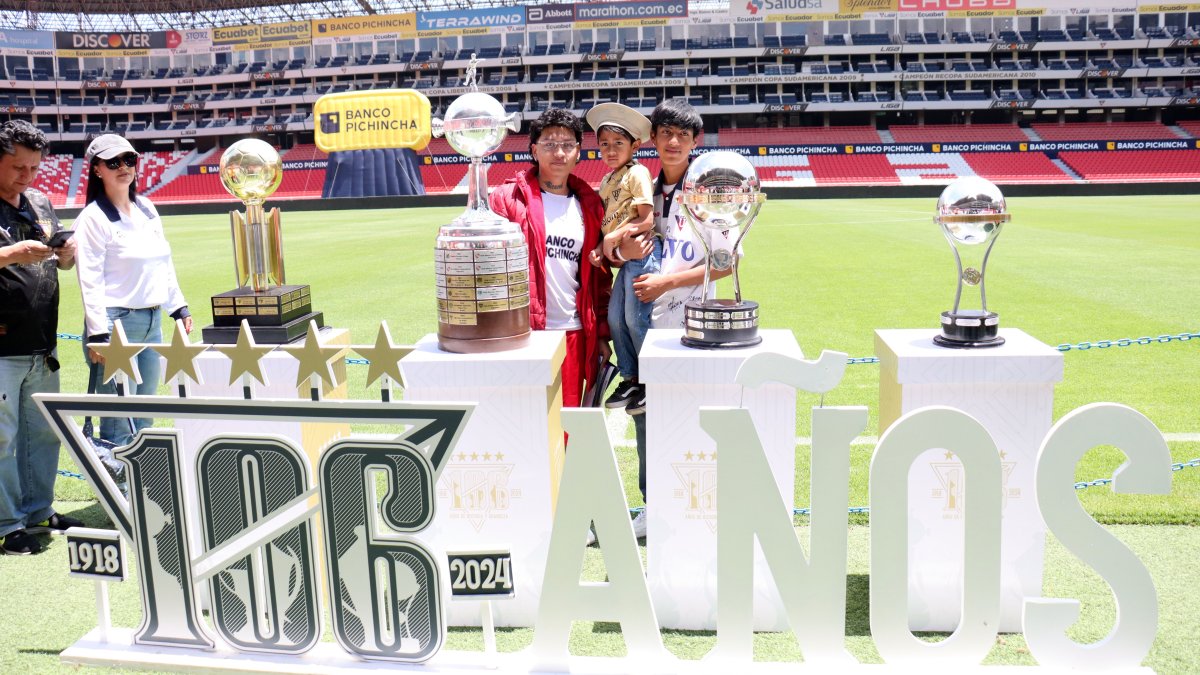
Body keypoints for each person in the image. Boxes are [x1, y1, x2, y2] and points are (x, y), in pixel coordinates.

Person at [615, 99, 737, 538]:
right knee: (647, 419)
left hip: (692, 323)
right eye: (664, 132)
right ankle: (654, 507)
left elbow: (727, 263)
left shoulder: (710, 189)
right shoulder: (642, 186)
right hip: (648, 325)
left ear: (695, 142)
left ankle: (700, 502)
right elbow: (623, 250)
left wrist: (666, 285)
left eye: (682, 136)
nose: (672, 142)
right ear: (652, 137)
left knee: (693, 415)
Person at [489, 108, 612, 409]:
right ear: (533, 150)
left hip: (574, 332)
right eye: (549, 143)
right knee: (523, 421)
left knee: (566, 429)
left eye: (567, 144)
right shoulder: (506, 199)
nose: (559, 152)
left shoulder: (591, 204)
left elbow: (599, 278)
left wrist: (602, 335)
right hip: (523, 334)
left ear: (578, 153)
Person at [73, 134, 192, 446]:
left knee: (144, 411)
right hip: (115, 327)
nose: (123, 167)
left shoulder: (147, 208)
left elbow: (163, 262)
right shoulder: (92, 218)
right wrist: (99, 335)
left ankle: (140, 486)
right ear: (97, 169)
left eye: (129, 160)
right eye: (113, 162)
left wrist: (178, 308)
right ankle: (120, 489)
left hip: (152, 322)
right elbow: (90, 280)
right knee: (119, 417)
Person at [0, 119, 83, 555]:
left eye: (33, 167)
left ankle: (38, 510)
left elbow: (58, 263)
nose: (27, 176)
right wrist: (10, 254)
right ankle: (6, 523)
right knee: (2, 437)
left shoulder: (39, 202)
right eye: (17, 166)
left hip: (41, 343)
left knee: (43, 432)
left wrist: (66, 256)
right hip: (2, 347)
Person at [584, 103, 658, 416]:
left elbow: (647, 219)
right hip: (623, 261)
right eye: (604, 144)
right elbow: (607, 225)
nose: (611, 150)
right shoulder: (606, 181)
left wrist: (614, 237)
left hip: (640, 260)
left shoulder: (637, 173)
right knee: (615, 320)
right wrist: (602, 247)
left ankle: (651, 381)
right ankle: (630, 377)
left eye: (618, 143)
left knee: (635, 319)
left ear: (635, 145)